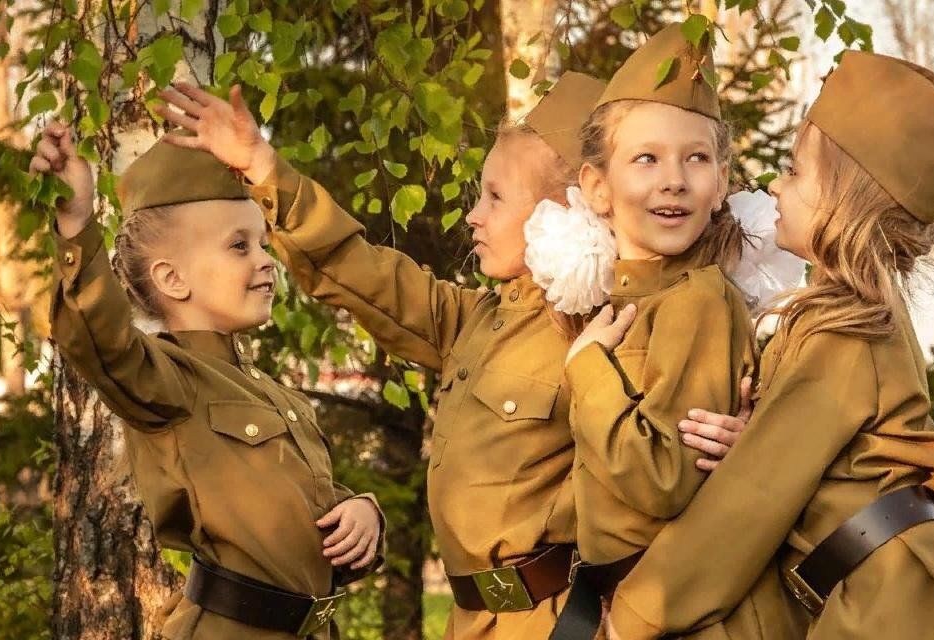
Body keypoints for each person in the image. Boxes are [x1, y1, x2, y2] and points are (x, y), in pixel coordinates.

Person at [156, 74, 619, 640]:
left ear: (567, 213)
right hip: (472, 621)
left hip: (560, 622)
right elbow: (362, 271)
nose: (474, 215)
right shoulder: (477, 320)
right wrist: (261, 166)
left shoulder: (608, 331)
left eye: (496, 197)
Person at [605, 50, 934, 640]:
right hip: (878, 590)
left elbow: (751, 502)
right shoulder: (848, 316)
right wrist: (763, 434)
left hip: (896, 603)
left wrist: (636, 615)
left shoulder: (846, 328)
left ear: (841, 198)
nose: (774, 183)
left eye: (795, 171)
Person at [33, 123, 383, 639]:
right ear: (173, 279)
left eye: (263, 243)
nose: (266, 261)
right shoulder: (164, 378)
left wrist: (360, 510)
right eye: (238, 246)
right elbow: (99, 338)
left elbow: (300, 503)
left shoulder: (276, 394)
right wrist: (77, 223)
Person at [560, 21, 757, 608]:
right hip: (613, 598)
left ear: (721, 183)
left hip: (660, 604)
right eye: (646, 158)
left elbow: (663, 478)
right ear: (597, 187)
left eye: (696, 159)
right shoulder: (619, 301)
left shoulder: (698, 299)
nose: (673, 181)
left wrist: (587, 371)